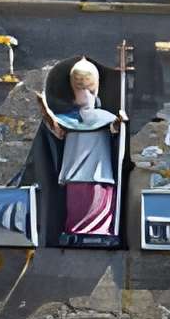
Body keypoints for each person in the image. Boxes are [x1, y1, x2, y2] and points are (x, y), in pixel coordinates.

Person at [45, 57, 126, 244]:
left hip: (99, 169)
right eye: (81, 90)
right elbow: (57, 130)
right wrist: (44, 109)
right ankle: (76, 234)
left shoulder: (105, 117)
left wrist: (120, 121)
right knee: (77, 205)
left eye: (89, 90)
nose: (85, 94)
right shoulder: (68, 119)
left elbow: (114, 129)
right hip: (76, 171)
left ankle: (99, 233)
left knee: (98, 202)